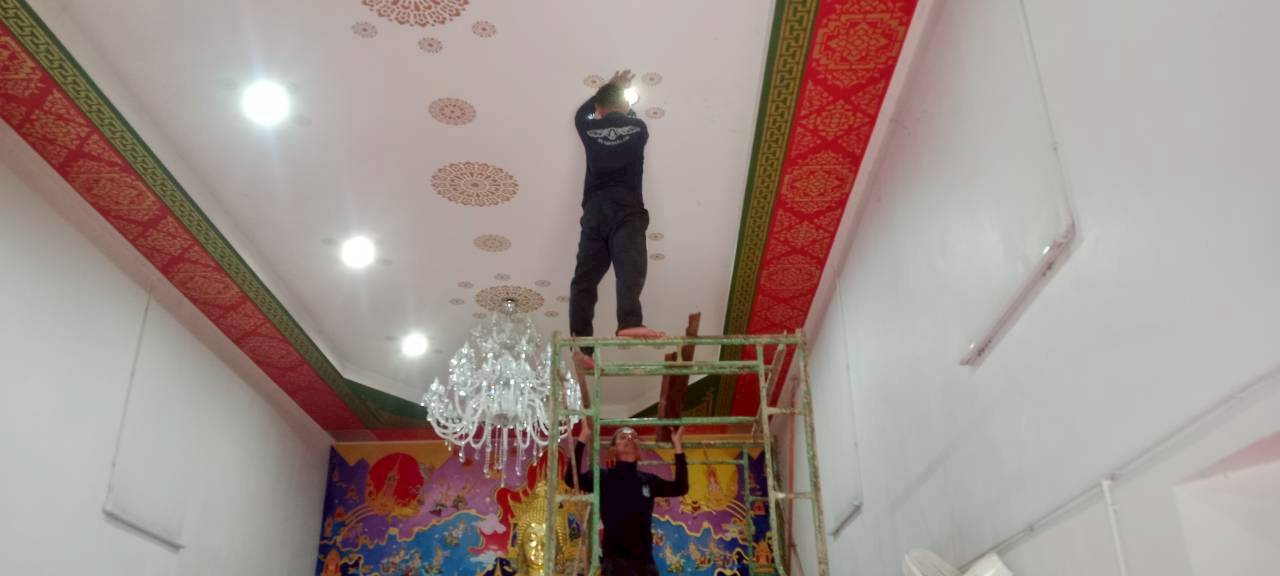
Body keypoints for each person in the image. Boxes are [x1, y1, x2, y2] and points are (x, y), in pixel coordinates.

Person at [570, 69, 665, 369]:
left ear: (599, 110)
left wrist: (608, 87)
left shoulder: (588, 127)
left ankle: (582, 348)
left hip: (595, 211)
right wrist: (621, 97)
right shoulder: (638, 127)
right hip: (626, 207)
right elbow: (625, 114)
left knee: (584, 280)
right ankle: (629, 322)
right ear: (625, 107)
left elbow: (581, 114)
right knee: (630, 265)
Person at [564, 425, 688, 576]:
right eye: (623, 437)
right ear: (613, 450)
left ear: (639, 450)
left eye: (634, 436)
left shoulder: (648, 481)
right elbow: (571, 479)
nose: (630, 438)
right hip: (616, 563)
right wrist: (583, 437)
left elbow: (680, 487)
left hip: (645, 563)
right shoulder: (603, 477)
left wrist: (677, 444)